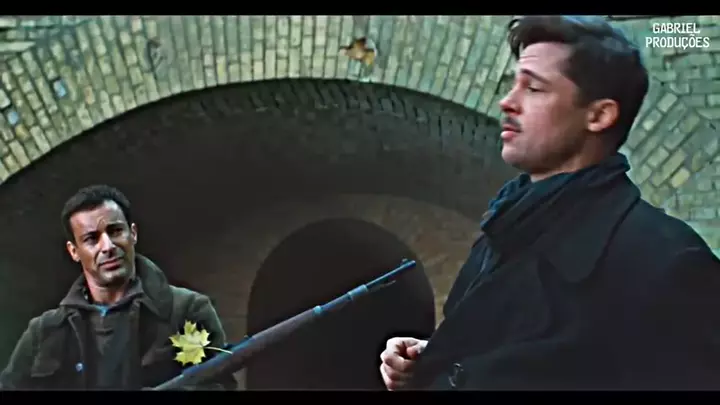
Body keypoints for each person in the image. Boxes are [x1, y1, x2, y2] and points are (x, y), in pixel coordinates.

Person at [380, 15, 720, 390]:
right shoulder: (504, 231)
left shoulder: (665, 262)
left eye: (534, 88)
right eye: (513, 84)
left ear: (599, 115)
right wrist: (432, 363)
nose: (507, 102)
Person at [0, 185, 237, 390]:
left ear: (132, 233)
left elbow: (218, 387)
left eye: (115, 231)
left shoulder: (186, 311)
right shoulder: (44, 332)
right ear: (74, 251)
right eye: (91, 239)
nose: (108, 246)